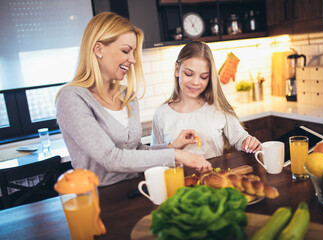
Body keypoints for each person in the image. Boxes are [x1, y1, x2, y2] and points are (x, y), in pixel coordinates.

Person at [56, 12, 211, 186]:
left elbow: (136, 150)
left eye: (134, 52)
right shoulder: (72, 98)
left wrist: (172, 147)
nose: (133, 60)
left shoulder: (126, 95)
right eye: (126, 51)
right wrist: (175, 155)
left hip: (136, 190)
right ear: (98, 49)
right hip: (100, 198)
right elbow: (111, 158)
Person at [151, 41, 261, 159]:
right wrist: (173, 148)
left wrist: (249, 142)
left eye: (203, 77)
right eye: (189, 74)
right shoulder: (161, 113)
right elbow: (154, 158)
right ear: (177, 69)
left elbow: (240, 138)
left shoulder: (218, 107)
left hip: (213, 176)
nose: (196, 82)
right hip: (178, 177)